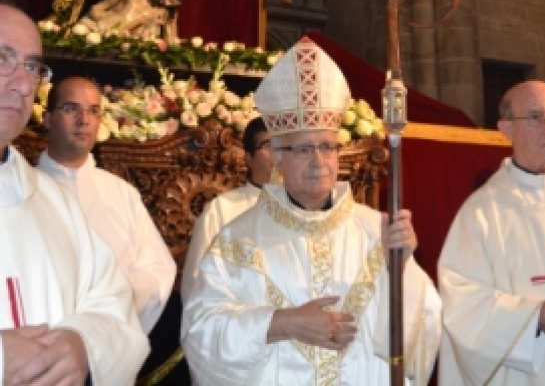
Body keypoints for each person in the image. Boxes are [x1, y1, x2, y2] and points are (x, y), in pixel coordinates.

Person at [182, 36, 441, 386]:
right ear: (277, 156)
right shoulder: (238, 238)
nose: (319, 161)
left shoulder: (376, 229)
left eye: (328, 147)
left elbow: (423, 321)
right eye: (304, 150)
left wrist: (403, 267)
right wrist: (282, 323)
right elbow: (200, 334)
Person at [0, 0, 149, 384]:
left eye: (32, 67)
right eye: (3, 59)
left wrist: (85, 344)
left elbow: (115, 308)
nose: (21, 85)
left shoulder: (56, 202)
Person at [438, 80, 545, 385]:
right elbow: (461, 304)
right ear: (506, 128)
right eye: (536, 117)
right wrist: (535, 318)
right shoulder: (483, 213)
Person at [37, 75, 176, 335]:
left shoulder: (122, 193)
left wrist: (114, 296)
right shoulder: (23, 188)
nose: (83, 120)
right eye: (70, 108)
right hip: (39, 346)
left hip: (111, 342)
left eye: (93, 111)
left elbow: (158, 270)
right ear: (47, 119)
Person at [180, 116, 274, 305]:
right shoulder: (222, 209)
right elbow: (196, 282)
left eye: (286, 146)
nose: (279, 154)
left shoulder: (308, 209)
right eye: (269, 145)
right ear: (249, 158)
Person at [79, 0, 182, 44]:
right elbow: (101, 6)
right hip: (98, 27)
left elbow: (171, 43)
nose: (167, 4)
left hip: (120, 43)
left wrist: (172, 20)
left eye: (171, 4)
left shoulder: (161, 12)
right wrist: (99, 20)